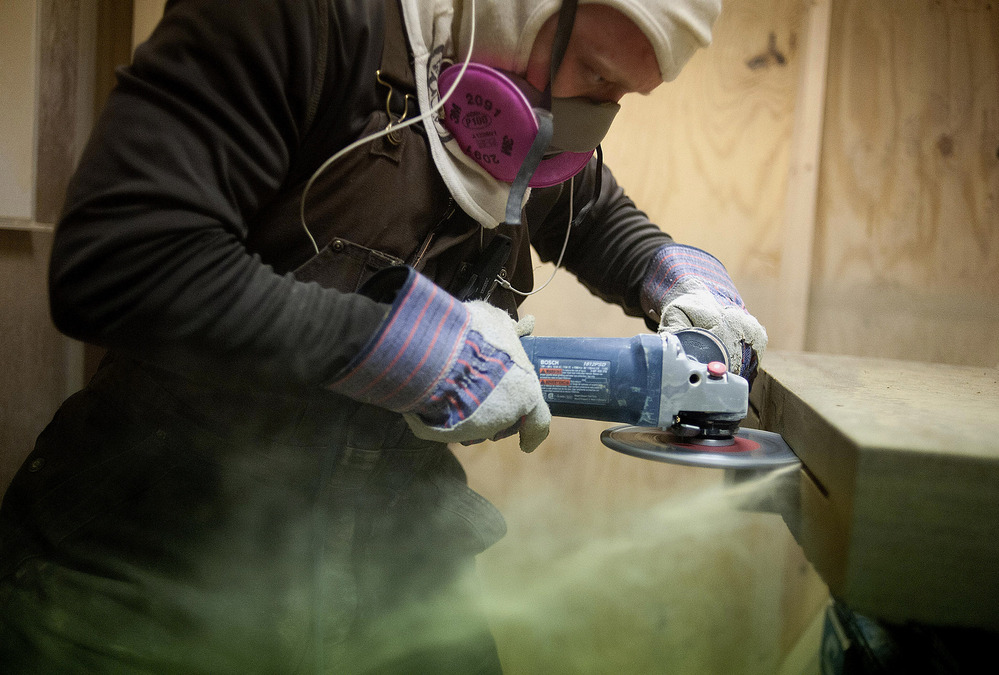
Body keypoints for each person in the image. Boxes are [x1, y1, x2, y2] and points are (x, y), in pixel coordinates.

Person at [0, 0, 766, 672]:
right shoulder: (299, 17)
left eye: (621, 97)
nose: (598, 115)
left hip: (389, 556)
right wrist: (420, 353)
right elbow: (122, 260)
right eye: (596, 77)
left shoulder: (508, 87)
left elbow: (585, 204)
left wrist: (676, 277)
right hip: (150, 561)